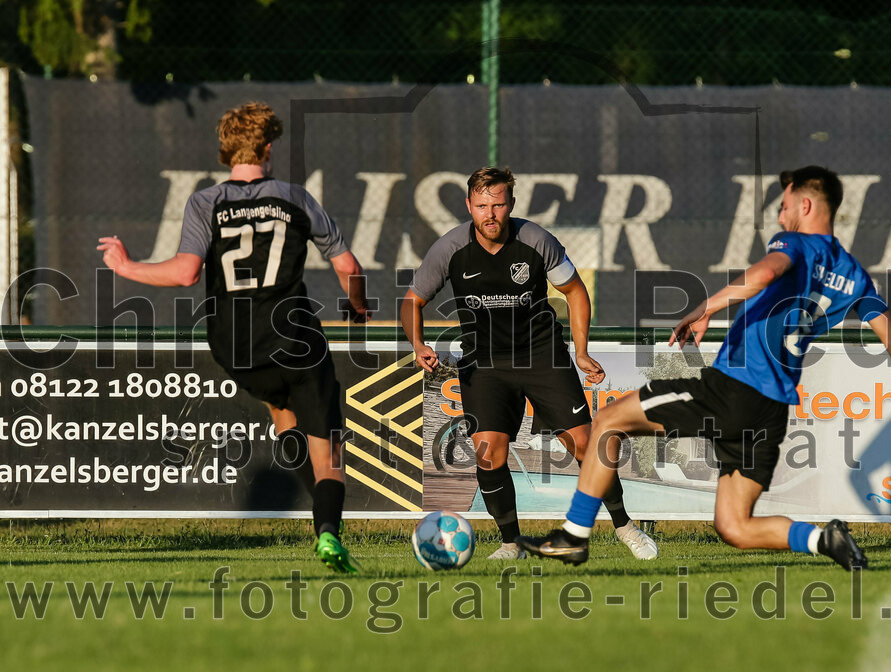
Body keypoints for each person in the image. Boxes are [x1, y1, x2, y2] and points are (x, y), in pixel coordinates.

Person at [518, 165, 891, 569]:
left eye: (785, 204)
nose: (779, 213)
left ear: (806, 206)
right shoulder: (854, 274)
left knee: (608, 420)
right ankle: (823, 538)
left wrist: (706, 307)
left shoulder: (795, 243)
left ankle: (573, 536)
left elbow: (768, 270)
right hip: (771, 411)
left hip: (734, 387)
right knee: (734, 526)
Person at [97, 102, 369, 573]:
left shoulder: (206, 202)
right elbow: (348, 267)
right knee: (330, 456)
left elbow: (185, 274)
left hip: (236, 345)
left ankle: (316, 512)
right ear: (267, 148)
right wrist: (359, 307)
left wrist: (125, 266)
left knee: (284, 415)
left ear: (225, 152)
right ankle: (328, 533)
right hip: (295, 336)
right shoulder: (295, 198)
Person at [402, 166, 658, 560]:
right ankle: (511, 544)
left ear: (511, 205)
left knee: (585, 446)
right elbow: (412, 301)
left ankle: (625, 527)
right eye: (482, 205)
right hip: (483, 366)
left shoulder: (536, 240)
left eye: (498, 204)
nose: (490, 214)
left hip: (542, 357)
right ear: (469, 205)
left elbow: (574, 291)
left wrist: (582, 349)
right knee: (488, 454)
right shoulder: (450, 248)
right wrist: (417, 343)